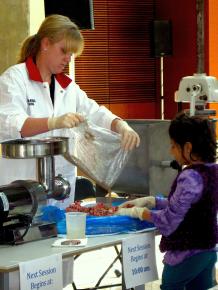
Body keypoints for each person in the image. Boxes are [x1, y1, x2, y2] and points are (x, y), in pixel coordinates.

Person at [0, 14, 140, 209]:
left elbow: (95, 112)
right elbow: (12, 124)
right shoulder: (14, 79)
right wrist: (53, 122)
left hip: (61, 188)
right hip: (23, 186)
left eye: (71, 53)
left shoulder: (67, 86)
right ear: (45, 44)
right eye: (64, 51)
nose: (68, 58)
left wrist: (121, 125)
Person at [117, 112, 218, 290]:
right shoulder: (213, 171)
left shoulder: (190, 177)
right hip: (208, 250)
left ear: (187, 148)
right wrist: (152, 201)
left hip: (185, 255)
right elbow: (187, 207)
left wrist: (139, 213)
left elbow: (169, 221)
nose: (171, 151)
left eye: (173, 146)